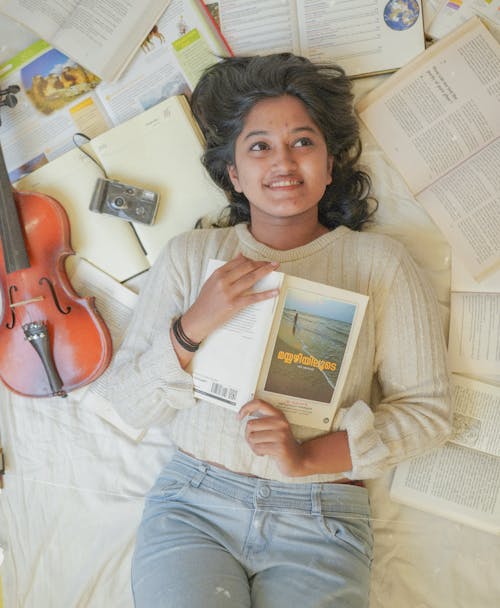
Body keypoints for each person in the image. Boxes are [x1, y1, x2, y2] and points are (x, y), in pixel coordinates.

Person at [104, 53, 452, 607]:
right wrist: (193, 326)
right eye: (260, 145)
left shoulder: (381, 264)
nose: (283, 161)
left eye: (303, 142)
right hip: (194, 505)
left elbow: (428, 414)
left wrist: (306, 460)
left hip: (319, 515)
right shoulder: (192, 256)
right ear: (235, 175)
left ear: (331, 165)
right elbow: (124, 403)